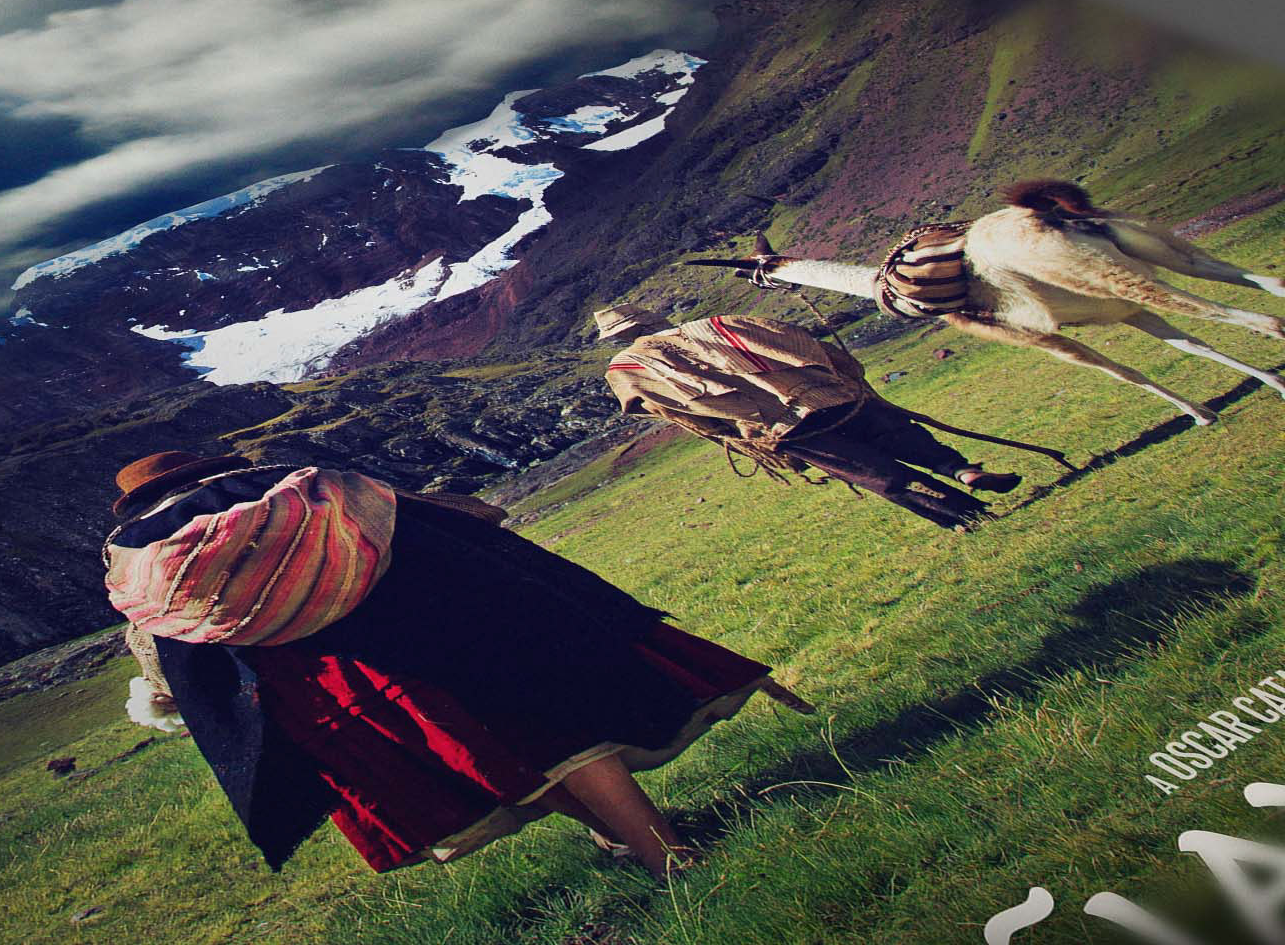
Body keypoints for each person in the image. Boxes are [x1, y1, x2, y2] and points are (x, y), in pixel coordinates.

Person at [103, 450, 810, 879]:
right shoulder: (292, 485)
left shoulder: (139, 559)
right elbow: (439, 512)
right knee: (562, 733)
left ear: (137, 501)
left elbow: (162, 648)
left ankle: (629, 842)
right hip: (442, 616)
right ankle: (664, 852)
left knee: (494, 756)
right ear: (212, 466)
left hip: (348, 676)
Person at [596, 304, 1026, 531]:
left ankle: (963, 514)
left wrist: (737, 427)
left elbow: (662, 408)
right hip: (830, 396)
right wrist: (846, 377)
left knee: (872, 471)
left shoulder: (627, 368)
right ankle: (963, 471)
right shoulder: (719, 324)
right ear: (655, 319)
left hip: (783, 427)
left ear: (617, 339)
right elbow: (800, 341)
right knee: (897, 436)